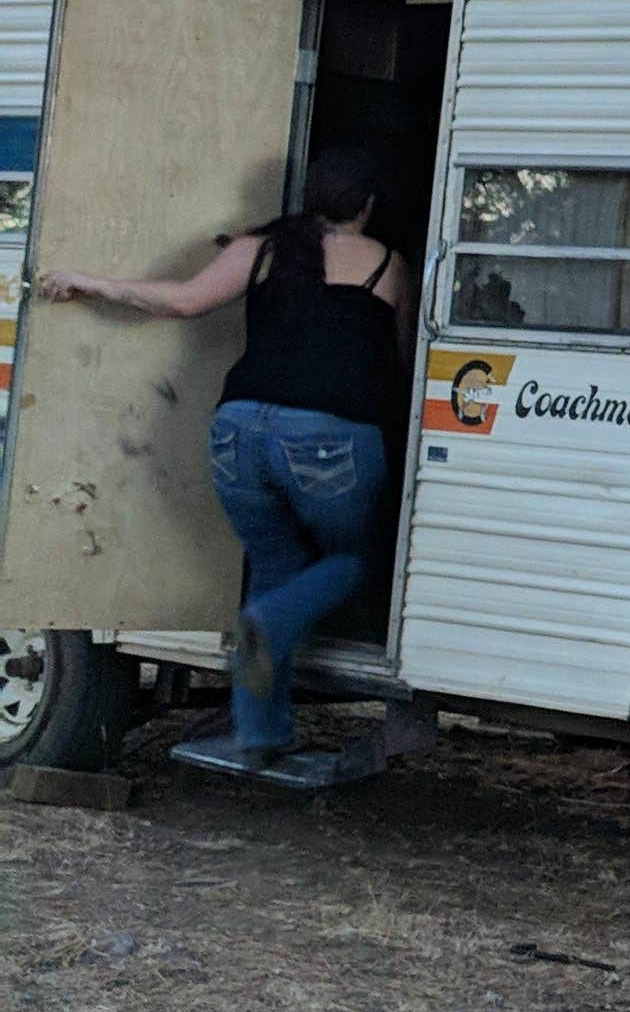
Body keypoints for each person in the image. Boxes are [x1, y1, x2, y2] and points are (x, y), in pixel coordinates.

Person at [41, 142, 411, 758]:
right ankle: (268, 630)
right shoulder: (388, 264)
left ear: (308, 197)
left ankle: (261, 732)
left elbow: (181, 302)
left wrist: (90, 281)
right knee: (356, 557)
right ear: (367, 207)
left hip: (236, 432)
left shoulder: (260, 248)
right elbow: (403, 364)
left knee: (272, 566)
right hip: (328, 437)